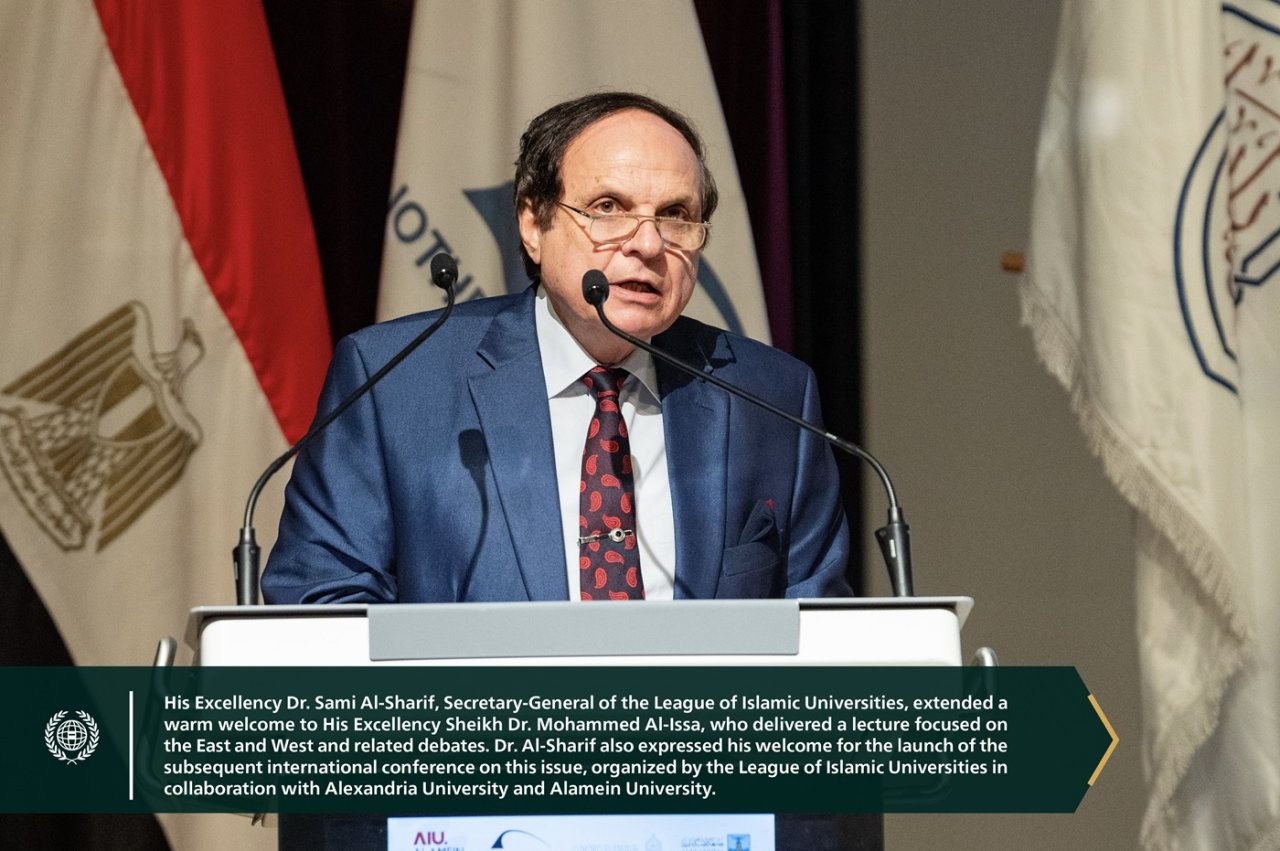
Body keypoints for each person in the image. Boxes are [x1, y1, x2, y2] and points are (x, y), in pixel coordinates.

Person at [262, 91, 851, 604]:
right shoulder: (394, 382)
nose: (647, 244)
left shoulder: (768, 397)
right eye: (608, 208)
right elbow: (321, 601)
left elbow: (819, 626)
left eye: (675, 215)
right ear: (531, 225)